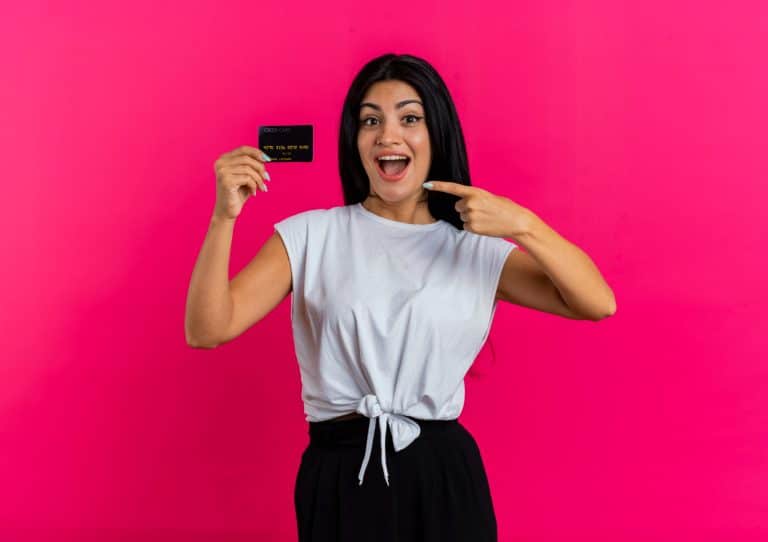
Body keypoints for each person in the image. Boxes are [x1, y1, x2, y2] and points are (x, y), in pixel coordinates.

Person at [185, 53, 616, 542]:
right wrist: (224, 218)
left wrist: (525, 224)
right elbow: (206, 329)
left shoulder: (473, 248)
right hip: (341, 471)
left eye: (409, 118)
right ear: (355, 141)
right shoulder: (311, 235)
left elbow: (597, 302)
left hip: (444, 475)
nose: (388, 135)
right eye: (371, 121)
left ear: (436, 135)